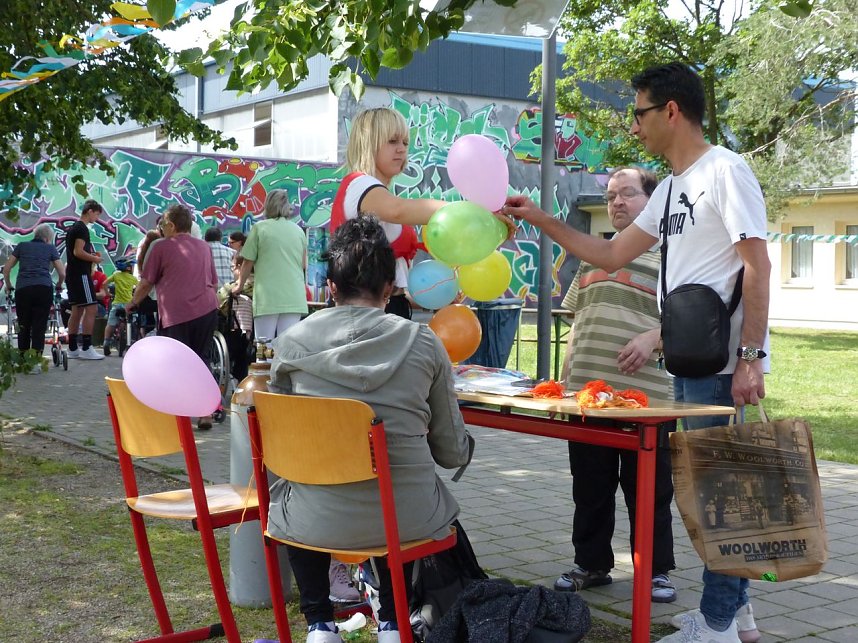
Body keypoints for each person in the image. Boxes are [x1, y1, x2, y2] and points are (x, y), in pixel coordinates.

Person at [504, 62, 770, 643]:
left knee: (714, 497)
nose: (634, 126)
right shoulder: (673, 187)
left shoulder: (725, 171)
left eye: (640, 112)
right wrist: (541, 219)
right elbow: (608, 255)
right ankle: (738, 617)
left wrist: (751, 356)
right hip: (688, 363)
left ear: (671, 110)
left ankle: (720, 624)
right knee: (706, 493)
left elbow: (757, 264)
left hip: (720, 365)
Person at [267, 216, 471, 643]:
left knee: (296, 485)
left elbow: (282, 441)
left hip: (312, 521)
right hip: (407, 517)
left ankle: (319, 626)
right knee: (394, 487)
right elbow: (451, 453)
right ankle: (395, 625)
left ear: (332, 289)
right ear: (389, 290)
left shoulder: (289, 345)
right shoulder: (424, 342)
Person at [553, 166, 677, 604]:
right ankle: (591, 565)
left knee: (649, 491)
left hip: (648, 402)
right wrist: (565, 381)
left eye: (627, 194)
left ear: (653, 202)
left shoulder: (671, 258)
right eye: (610, 196)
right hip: (588, 399)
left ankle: (657, 571)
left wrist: (655, 338)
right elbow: (578, 322)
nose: (617, 203)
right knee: (589, 487)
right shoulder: (594, 254)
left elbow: (691, 324)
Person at [332, 107, 515, 319]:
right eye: (392, 141)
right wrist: (470, 212)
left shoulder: (373, 190)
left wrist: (428, 298)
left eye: (405, 142)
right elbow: (399, 210)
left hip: (384, 310)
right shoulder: (360, 183)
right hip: (361, 314)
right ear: (368, 143)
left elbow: (395, 288)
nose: (401, 149)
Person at [127, 204, 219, 430]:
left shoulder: (160, 247)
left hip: (177, 313)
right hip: (207, 310)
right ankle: (206, 412)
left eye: (162, 225)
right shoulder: (204, 247)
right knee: (202, 359)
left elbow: (147, 282)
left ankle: (176, 414)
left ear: (170, 225)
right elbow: (213, 282)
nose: (160, 229)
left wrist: (132, 303)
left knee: (175, 364)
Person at [232, 189, 307, 344]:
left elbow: (247, 262)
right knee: (286, 348)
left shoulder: (260, 228)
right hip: (294, 296)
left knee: (264, 346)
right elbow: (304, 264)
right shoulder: (298, 230)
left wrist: (239, 286)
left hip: (268, 297)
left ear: (267, 206)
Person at [2, 223, 65, 369]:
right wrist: (59, 285)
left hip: (23, 289)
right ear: (48, 237)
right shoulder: (50, 248)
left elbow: (6, 269)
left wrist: (9, 285)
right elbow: (62, 273)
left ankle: (23, 360)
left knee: (24, 324)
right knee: (39, 324)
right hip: (43, 289)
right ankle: (35, 361)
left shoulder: (22, 246)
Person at [64, 199, 106, 360]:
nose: (97, 218)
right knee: (92, 307)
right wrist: (94, 259)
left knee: (77, 310)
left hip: (72, 274)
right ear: (90, 211)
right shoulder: (82, 228)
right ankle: (87, 346)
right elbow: (78, 252)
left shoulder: (73, 228)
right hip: (81, 274)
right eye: (96, 214)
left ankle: (73, 347)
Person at [102, 257, 139, 356]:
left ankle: (106, 342)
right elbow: (139, 287)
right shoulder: (133, 278)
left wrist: (107, 293)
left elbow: (104, 283)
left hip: (117, 303)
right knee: (131, 320)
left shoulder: (116, 275)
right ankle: (128, 339)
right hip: (128, 304)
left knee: (111, 324)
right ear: (128, 268)